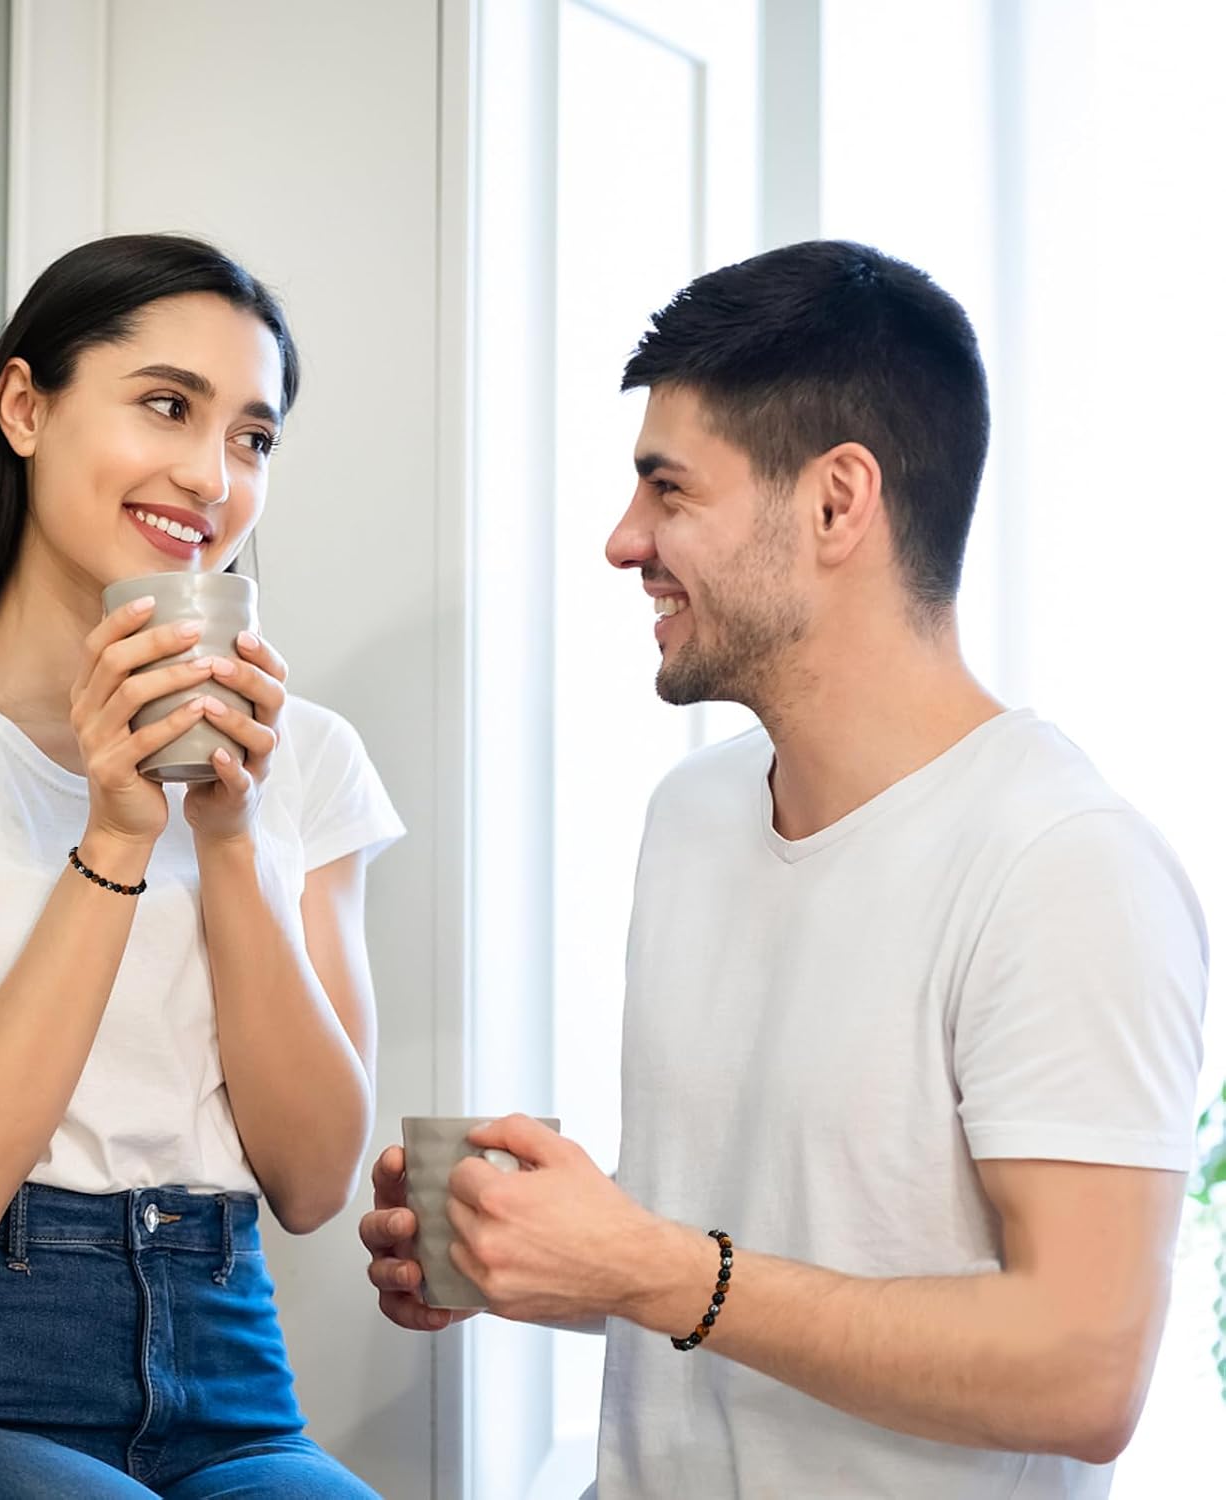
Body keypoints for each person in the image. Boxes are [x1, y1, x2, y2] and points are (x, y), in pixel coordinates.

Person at [360, 240, 1209, 1498]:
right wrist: (540, 1252)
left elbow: (1083, 1372)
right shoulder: (693, 814)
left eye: (669, 491)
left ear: (835, 502)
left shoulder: (1063, 865)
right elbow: (750, 1253)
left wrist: (647, 1267)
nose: (624, 541)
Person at [0, 234, 400, 1499]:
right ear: (25, 406)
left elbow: (316, 1178)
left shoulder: (307, 761)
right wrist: (115, 836)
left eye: (253, 438)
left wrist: (230, 839)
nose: (211, 475)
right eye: (167, 404)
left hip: (230, 1396)